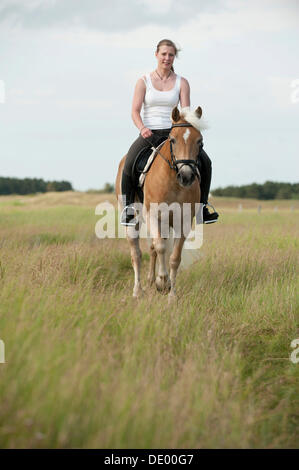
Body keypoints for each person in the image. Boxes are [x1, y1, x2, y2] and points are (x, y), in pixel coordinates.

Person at [121, 38, 219, 226]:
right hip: (149, 133)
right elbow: (134, 111)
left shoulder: (182, 82)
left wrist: (190, 130)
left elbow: (186, 112)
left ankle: (202, 208)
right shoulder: (143, 81)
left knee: (205, 162)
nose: (167, 58)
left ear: (175, 57)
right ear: (156, 55)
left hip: (175, 133)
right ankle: (128, 208)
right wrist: (142, 128)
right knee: (129, 163)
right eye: (164, 54)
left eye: (171, 55)